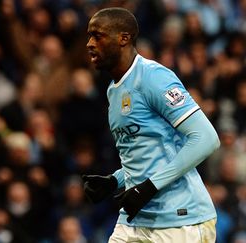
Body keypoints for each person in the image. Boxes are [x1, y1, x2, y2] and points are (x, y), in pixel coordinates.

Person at [82, 7, 220, 242]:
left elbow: (206, 139)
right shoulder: (113, 91)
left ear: (124, 38)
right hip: (136, 218)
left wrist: (149, 187)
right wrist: (116, 180)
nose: (89, 43)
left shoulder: (153, 77)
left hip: (181, 220)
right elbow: (151, 152)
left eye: (98, 35)